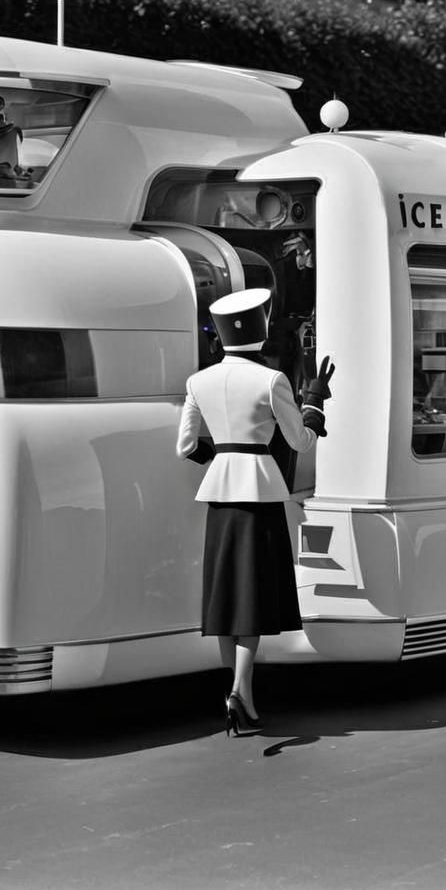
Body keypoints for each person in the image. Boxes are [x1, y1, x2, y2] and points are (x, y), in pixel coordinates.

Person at [176, 288, 335, 736]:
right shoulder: (271, 381)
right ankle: (240, 693)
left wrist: (223, 457)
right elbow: (301, 441)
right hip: (260, 493)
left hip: (220, 494)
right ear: (261, 330)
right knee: (255, 594)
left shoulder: (198, 381)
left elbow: (185, 446)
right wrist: (315, 402)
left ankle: (237, 690)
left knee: (226, 595)